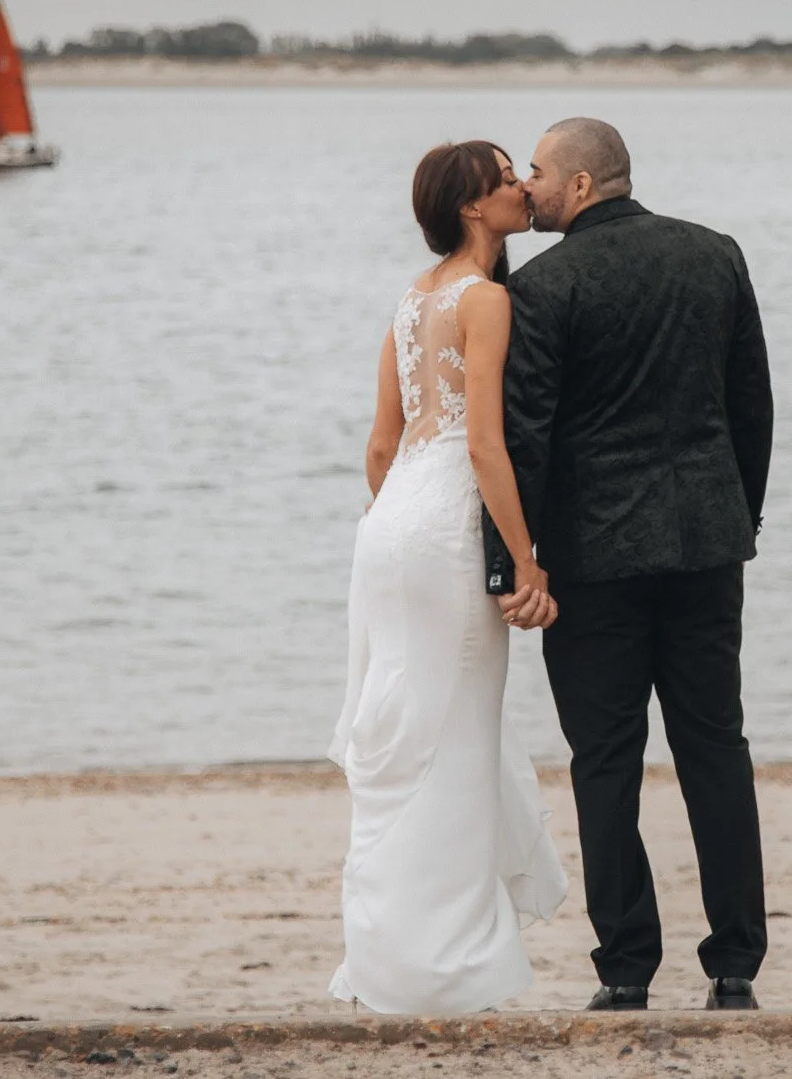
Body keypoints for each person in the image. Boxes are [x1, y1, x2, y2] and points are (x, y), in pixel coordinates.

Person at [495, 117, 774, 1011]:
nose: (528, 185)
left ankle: (625, 966)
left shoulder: (543, 286)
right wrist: (743, 516)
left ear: (579, 186)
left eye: (537, 170)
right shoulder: (715, 254)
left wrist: (516, 561)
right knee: (715, 747)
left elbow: (525, 437)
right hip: (705, 544)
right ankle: (735, 963)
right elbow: (752, 407)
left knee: (605, 759)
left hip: (593, 558)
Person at [327, 140, 568, 1014]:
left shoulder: (407, 302)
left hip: (387, 532)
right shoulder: (486, 299)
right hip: (443, 534)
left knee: (398, 732)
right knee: (455, 734)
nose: (517, 190)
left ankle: (385, 954)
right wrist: (528, 555)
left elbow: (382, 446)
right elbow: (483, 444)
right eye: (506, 180)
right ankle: (449, 961)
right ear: (473, 206)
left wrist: (393, 514)